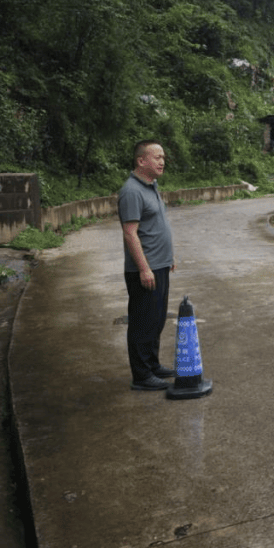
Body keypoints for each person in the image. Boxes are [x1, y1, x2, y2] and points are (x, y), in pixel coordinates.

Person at [119, 140, 176, 390]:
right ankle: (141, 376)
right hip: (145, 270)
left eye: (163, 157)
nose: (162, 161)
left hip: (159, 265)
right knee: (142, 321)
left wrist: (167, 258)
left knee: (157, 319)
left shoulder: (151, 186)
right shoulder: (131, 191)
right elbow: (130, 233)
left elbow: (156, 225)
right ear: (141, 161)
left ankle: (152, 365)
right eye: (156, 157)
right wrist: (144, 268)